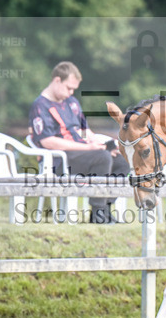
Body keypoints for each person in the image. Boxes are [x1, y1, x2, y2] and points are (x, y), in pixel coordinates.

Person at [29, 61, 129, 224]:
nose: (71, 92)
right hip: (58, 161)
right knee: (102, 158)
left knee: (122, 161)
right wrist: (89, 148)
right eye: (69, 88)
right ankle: (97, 214)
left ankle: (105, 209)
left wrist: (103, 145)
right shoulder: (40, 106)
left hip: (83, 155)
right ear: (57, 81)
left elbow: (84, 130)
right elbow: (48, 141)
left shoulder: (72, 103)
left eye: (74, 89)